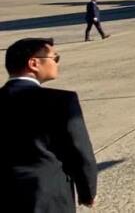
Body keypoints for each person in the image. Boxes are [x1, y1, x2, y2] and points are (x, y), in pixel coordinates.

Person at [1, 38, 98, 211]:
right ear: (34, 63)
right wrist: (87, 192)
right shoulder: (61, 101)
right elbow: (79, 151)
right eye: (55, 58)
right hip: (48, 196)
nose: (57, 63)